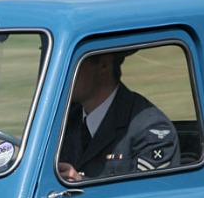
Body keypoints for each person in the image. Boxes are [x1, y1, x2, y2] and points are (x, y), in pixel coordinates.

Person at [58, 52, 179, 181]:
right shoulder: (64, 119)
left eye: (72, 64)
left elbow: (151, 190)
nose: (62, 74)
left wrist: (81, 183)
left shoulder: (150, 129)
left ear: (104, 64)